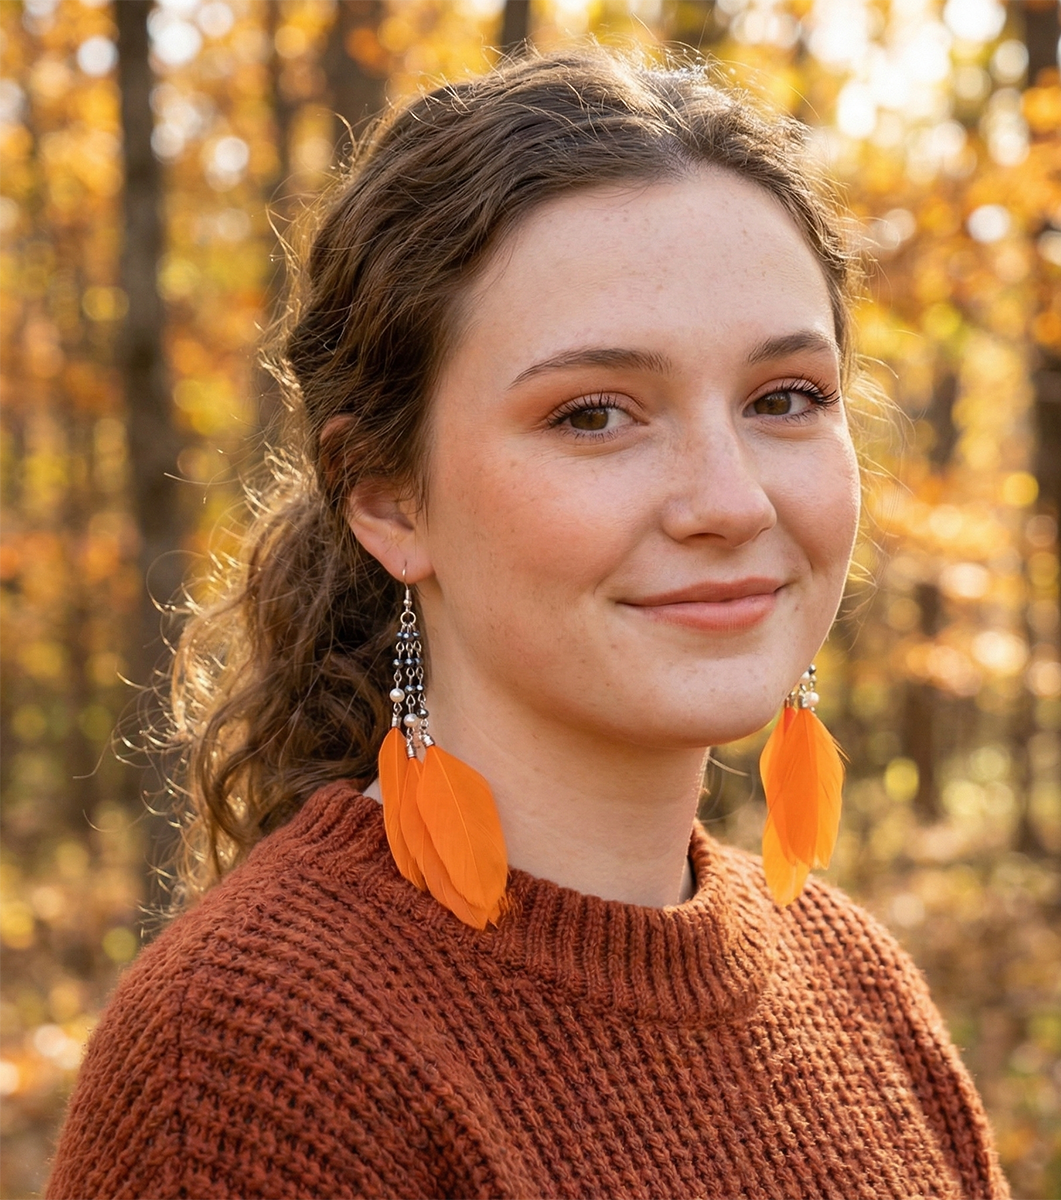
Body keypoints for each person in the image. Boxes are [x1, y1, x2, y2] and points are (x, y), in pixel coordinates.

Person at [46, 48, 1010, 1198]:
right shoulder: (249, 1054)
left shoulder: (859, 987)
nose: (732, 501)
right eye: (594, 414)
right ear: (388, 499)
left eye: (785, 398)